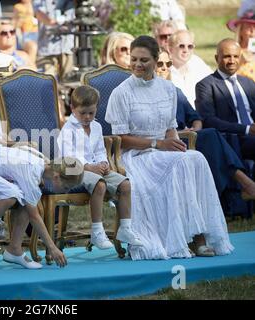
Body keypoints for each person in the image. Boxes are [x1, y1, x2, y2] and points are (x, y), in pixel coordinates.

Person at [105, 35, 234, 260]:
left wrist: (173, 144)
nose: (137, 64)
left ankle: (199, 236)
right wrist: (158, 144)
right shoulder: (121, 93)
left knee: (195, 158)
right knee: (180, 162)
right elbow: (120, 138)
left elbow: (170, 129)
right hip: (135, 156)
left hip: (162, 152)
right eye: (134, 59)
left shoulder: (168, 89)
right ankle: (187, 241)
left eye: (143, 60)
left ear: (156, 60)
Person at [0, 144, 80, 271]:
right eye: (66, 188)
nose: (65, 192)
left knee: (26, 197)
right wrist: (52, 248)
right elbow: (34, 216)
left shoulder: (39, 167)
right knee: (10, 195)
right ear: (56, 177)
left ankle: (14, 249)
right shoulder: (31, 172)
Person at [157, 49, 255, 201]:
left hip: (190, 138)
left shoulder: (175, 91)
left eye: (168, 63)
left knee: (209, 136)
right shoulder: (145, 95)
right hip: (167, 141)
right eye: (159, 63)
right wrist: (182, 133)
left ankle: (237, 195)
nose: (164, 67)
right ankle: (245, 184)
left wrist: (194, 131)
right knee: (212, 135)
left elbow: (196, 118)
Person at [57, 85, 143, 250]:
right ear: (73, 109)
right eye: (83, 113)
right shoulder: (68, 129)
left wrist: (103, 163)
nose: (87, 117)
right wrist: (89, 166)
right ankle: (97, 231)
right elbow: (68, 156)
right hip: (73, 170)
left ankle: (125, 228)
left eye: (92, 113)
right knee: (100, 184)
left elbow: (99, 150)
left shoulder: (96, 127)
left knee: (125, 184)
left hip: (95, 168)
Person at [196, 39, 255, 162]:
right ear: (217, 58)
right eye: (227, 56)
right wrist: (246, 129)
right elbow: (209, 120)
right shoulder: (206, 85)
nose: (232, 61)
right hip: (232, 139)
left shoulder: (248, 83)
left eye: (236, 56)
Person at [168, 30, 212, 108]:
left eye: (190, 46)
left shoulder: (197, 62)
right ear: (171, 49)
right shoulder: (165, 70)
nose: (186, 50)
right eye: (181, 46)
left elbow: (214, 82)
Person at [33, 0, 74, 81]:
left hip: (67, 47)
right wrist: (57, 24)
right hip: (47, 48)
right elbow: (39, 14)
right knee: (46, 83)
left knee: (68, 82)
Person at [226, 10, 255, 82]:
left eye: (254, 27)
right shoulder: (233, 51)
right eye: (248, 27)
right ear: (240, 31)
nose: (252, 31)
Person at [13, 0, 38, 65]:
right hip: (26, 34)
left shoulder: (36, 4)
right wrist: (21, 20)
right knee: (33, 47)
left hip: (38, 32)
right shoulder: (18, 7)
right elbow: (14, 23)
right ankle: (31, 69)